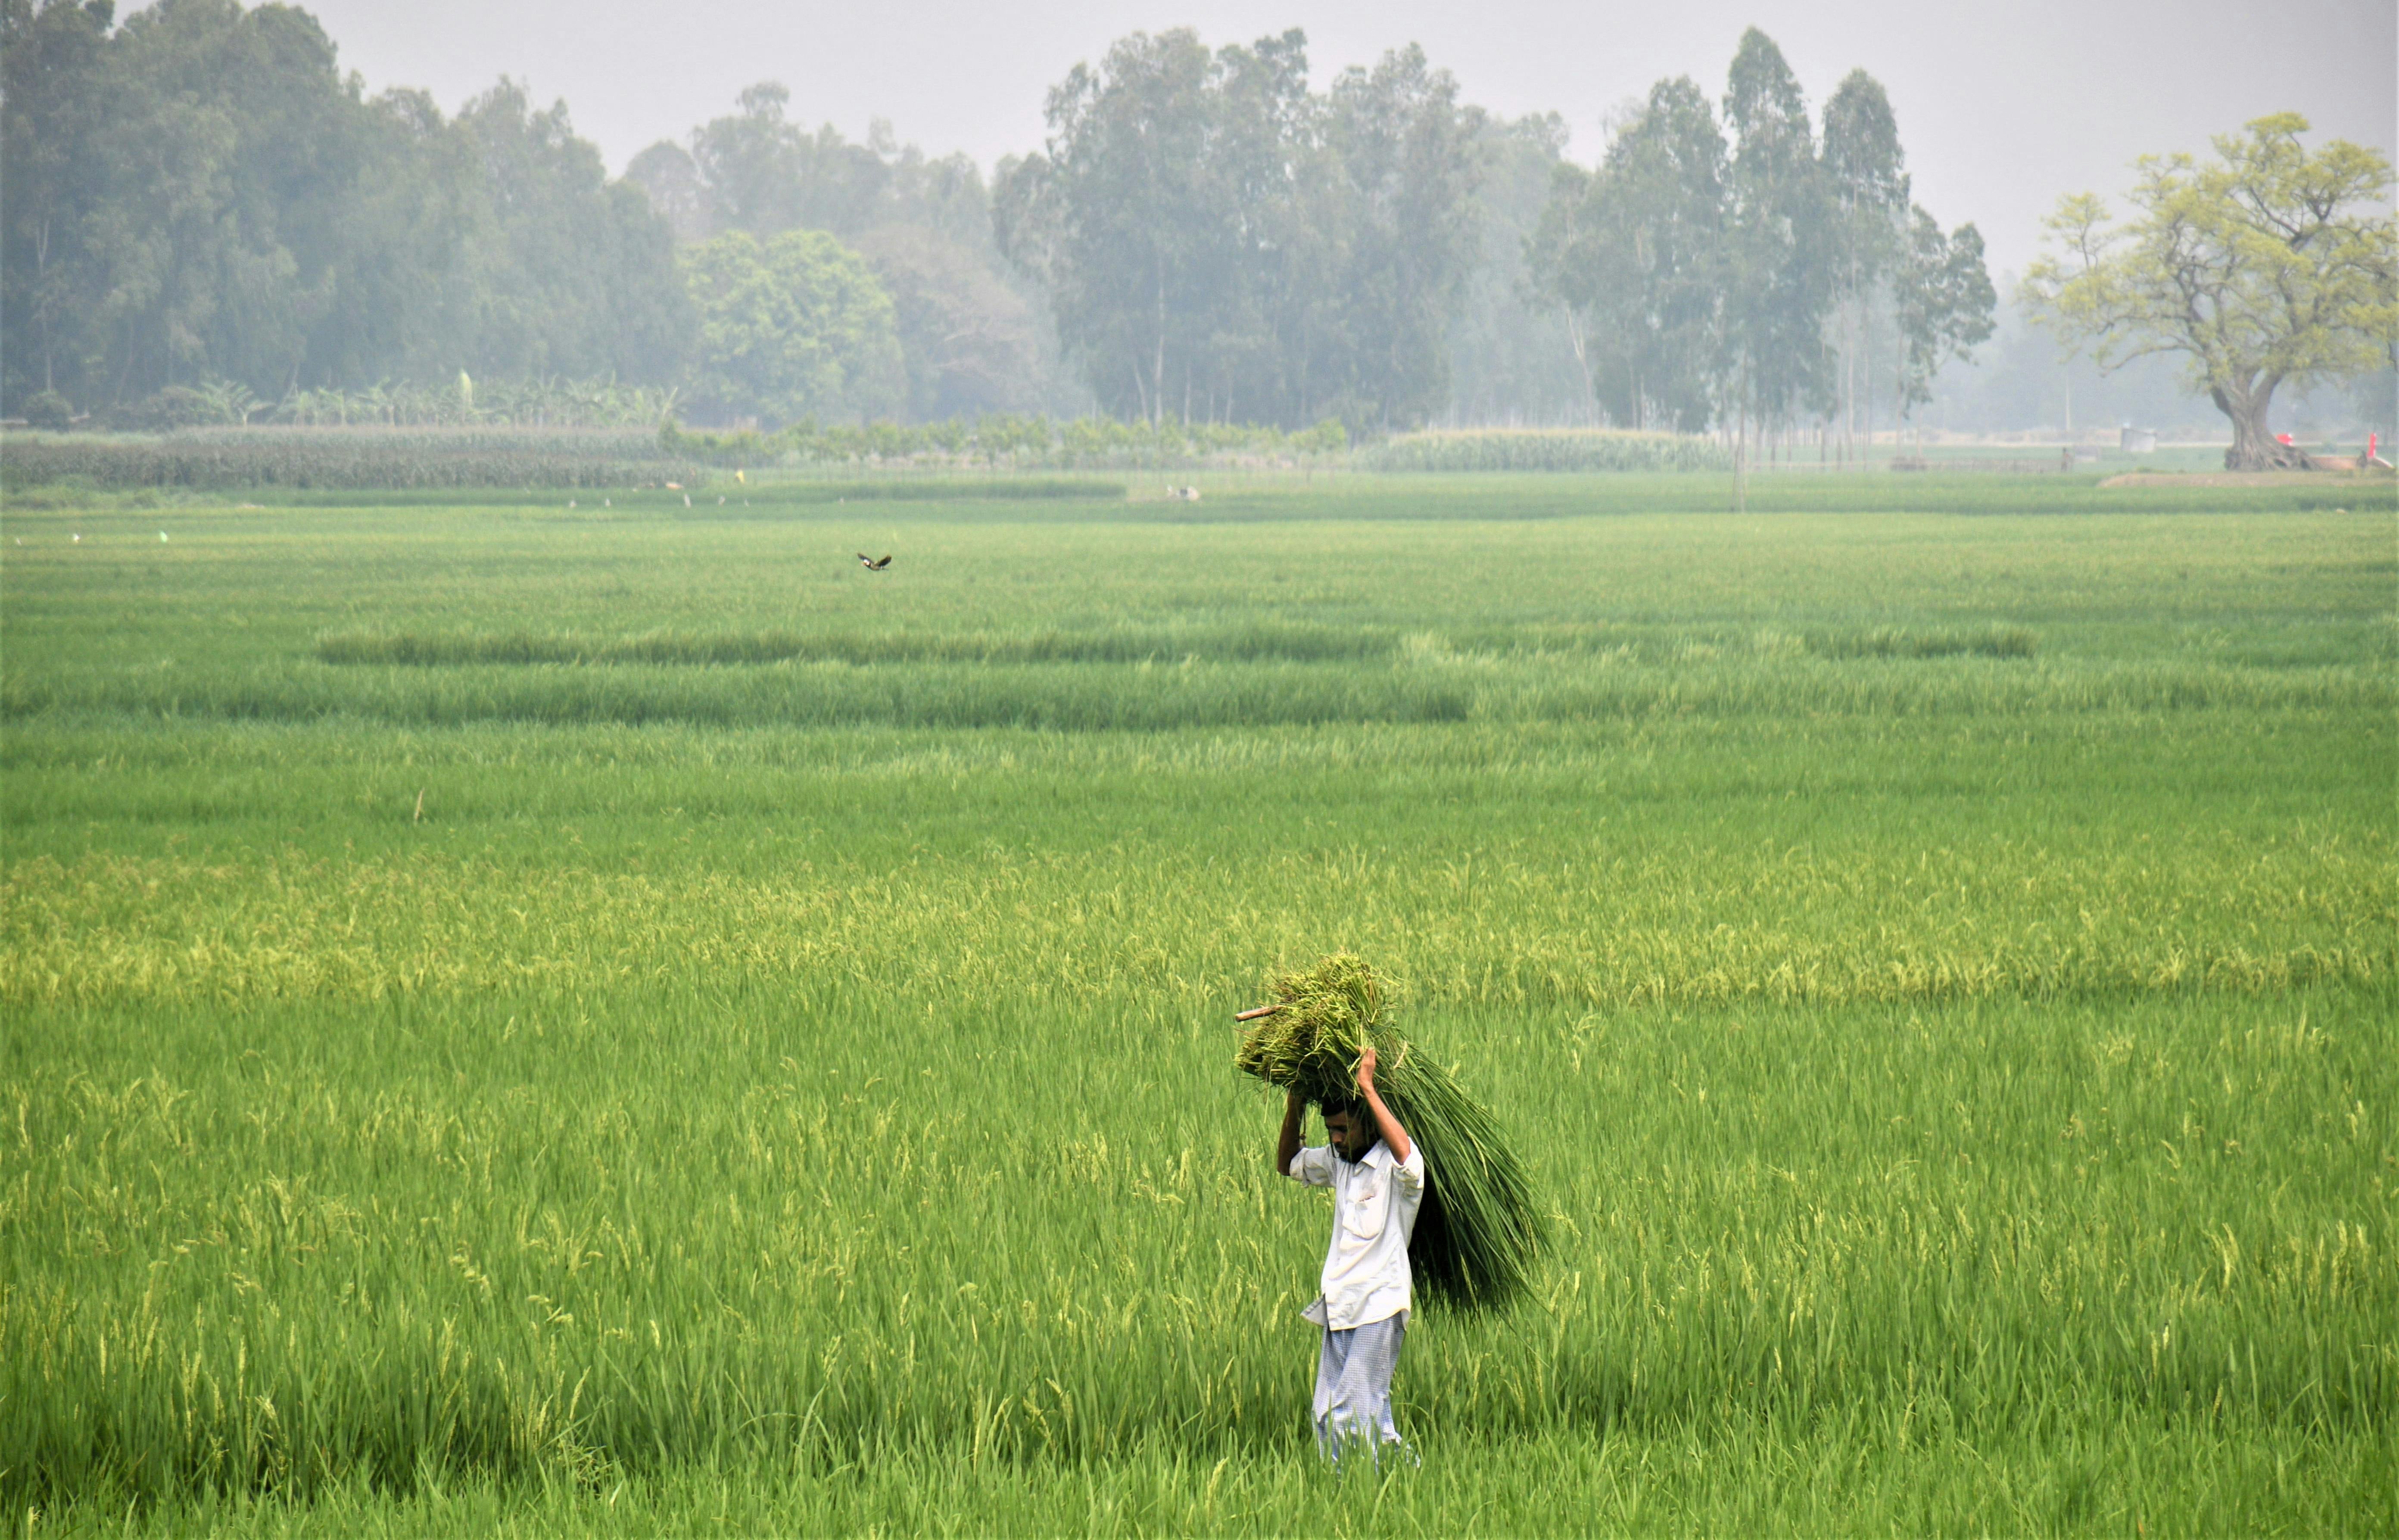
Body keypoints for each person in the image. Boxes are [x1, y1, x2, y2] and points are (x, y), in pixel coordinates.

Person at [1274, 1043, 1427, 1465]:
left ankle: (1357, 1490)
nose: (1337, 1139)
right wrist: (1295, 1105)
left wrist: (1368, 1088)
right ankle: (1400, 1476)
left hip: (1379, 1306)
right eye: (1331, 1131)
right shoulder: (1340, 1161)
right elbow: (1288, 1163)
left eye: (1343, 1129)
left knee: (1351, 1413)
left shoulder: (1397, 1174)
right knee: (1328, 1416)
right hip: (1340, 1306)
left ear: (1368, 1123)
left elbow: (1409, 1158)